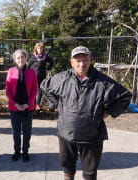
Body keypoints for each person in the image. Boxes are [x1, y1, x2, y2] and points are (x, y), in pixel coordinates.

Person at [41, 46, 132, 180]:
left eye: (85, 60)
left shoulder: (102, 82)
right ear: (72, 62)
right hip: (67, 133)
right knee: (68, 168)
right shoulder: (61, 78)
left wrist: (108, 111)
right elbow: (45, 85)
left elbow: (125, 96)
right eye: (78, 60)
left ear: (90, 61)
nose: (82, 64)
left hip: (92, 135)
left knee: (90, 173)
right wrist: (55, 103)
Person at [5, 49, 38, 162]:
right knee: (16, 131)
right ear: (15, 59)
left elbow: (35, 89)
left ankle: (25, 151)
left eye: (22, 57)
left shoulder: (32, 71)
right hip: (14, 107)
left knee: (27, 131)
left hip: (28, 107)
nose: (21, 59)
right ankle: (17, 151)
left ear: (26, 58)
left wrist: (28, 103)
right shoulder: (11, 71)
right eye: (18, 58)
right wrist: (15, 103)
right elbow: (7, 89)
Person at [29, 43, 54, 112]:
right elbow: (28, 65)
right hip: (33, 76)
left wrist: (48, 68)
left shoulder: (45, 57)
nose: (39, 50)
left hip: (42, 76)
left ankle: (37, 105)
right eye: (38, 48)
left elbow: (52, 62)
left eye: (41, 48)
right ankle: (33, 105)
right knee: (33, 90)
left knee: (40, 90)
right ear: (36, 49)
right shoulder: (33, 57)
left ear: (43, 49)